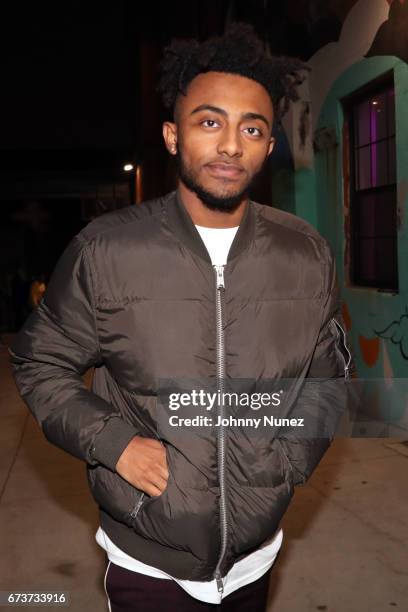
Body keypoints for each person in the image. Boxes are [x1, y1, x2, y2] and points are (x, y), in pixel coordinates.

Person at [9, 23, 355, 612]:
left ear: (269, 146)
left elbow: (329, 371)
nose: (230, 145)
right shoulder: (106, 250)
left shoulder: (305, 253)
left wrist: (289, 460)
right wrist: (114, 443)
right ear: (173, 136)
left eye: (252, 128)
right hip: (148, 557)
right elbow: (40, 360)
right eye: (209, 122)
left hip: (255, 555)